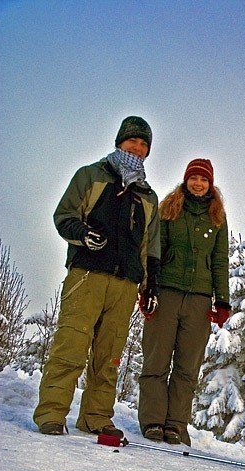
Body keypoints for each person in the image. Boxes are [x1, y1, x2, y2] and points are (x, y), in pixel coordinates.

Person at [33, 116, 161, 438]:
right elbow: (64, 215)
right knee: (71, 345)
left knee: (110, 356)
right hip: (87, 276)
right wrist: (83, 234)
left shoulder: (148, 197)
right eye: (133, 141)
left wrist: (150, 286)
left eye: (144, 144)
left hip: (124, 284)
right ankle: (51, 413)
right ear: (120, 141)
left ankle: (95, 417)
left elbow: (150, 245)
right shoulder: (91, 175)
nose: (138, 147)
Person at [138, 158, 230, 446]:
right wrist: (148, 289)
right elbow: (155, 251)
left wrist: (223, 301)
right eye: (194, 178)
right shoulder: (169, 208)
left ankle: (176, 425)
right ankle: (153, 421)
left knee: (187, 367)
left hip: (199, 301)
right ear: (186, 180)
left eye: (203, 179)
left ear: (210, 183)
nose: (198, 183)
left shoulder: (217, 217)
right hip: (166, 293)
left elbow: (220, 259)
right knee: (156, 360)